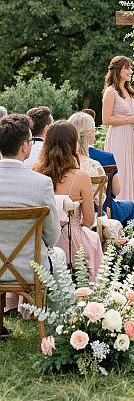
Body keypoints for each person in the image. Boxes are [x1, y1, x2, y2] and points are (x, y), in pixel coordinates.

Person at [0, 114, 64, 335]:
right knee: (58, 254)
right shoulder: (41, 183)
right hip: (32, 269)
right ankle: (58, 325)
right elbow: (53, 236)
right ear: (25, 146)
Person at [34, 121, 103, 279]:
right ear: (72, 144)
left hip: (42, 241)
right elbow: (89, 220)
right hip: (72, 240)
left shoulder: (36, 173)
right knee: (92, 239)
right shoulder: (81, 177)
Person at [68, 112, 134, 230]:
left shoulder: (58, 160)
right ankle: (125, 246)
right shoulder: (105, 157)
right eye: (94, 130)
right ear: (89, 134)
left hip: (68, 212)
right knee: (130, 206)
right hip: (100, 210)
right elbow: (116, 190)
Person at [102, 56, 134, 220]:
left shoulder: (129, 91)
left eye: (131, 68)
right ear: (118, 70)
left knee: (132, 168)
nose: (130, 71)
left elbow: (128, 115)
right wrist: (130, 119)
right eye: (127, 68)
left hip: (131, 136)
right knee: (121, 169)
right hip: (119, 137)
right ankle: (118, 210)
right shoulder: (110, 92)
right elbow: (106, 120)